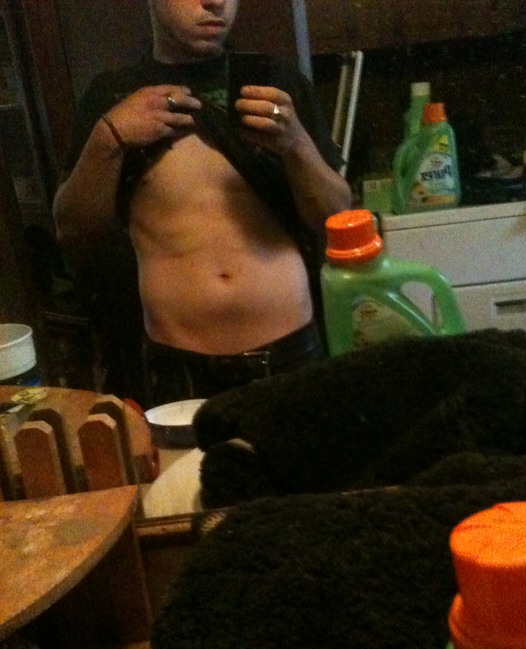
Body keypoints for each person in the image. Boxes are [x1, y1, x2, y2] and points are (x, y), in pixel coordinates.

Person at [53, 0, 352, 408]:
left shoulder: (278, 83)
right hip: (180, 375)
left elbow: (339, 219)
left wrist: (296, 144)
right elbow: (73, 230)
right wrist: (109, 138)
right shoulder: (113, 96)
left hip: (291, 360)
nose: (216, 2)